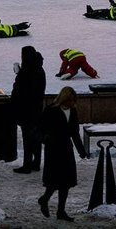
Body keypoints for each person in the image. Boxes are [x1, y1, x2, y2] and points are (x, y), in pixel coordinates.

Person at [37, 86, 87, 222]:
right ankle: (45, 199)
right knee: (54, 180)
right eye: (71, 101)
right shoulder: (51, 110)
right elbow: (41, 127)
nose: (73, 104)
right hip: (53, 148)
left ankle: (60, 210)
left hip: (65, 148)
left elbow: (75, 133)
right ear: (65, 99)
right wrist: (44, 139)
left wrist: (81, 151)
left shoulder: (72, 111)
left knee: (65, 182)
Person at [11, 45, 46, 174]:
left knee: (27, 138)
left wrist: (18, 75)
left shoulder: (26, 71)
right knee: (35, 137)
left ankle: (27, 164)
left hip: (26, 109)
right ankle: (36, 162)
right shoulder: (39, 69)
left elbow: (20, 90)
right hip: (37, 108)